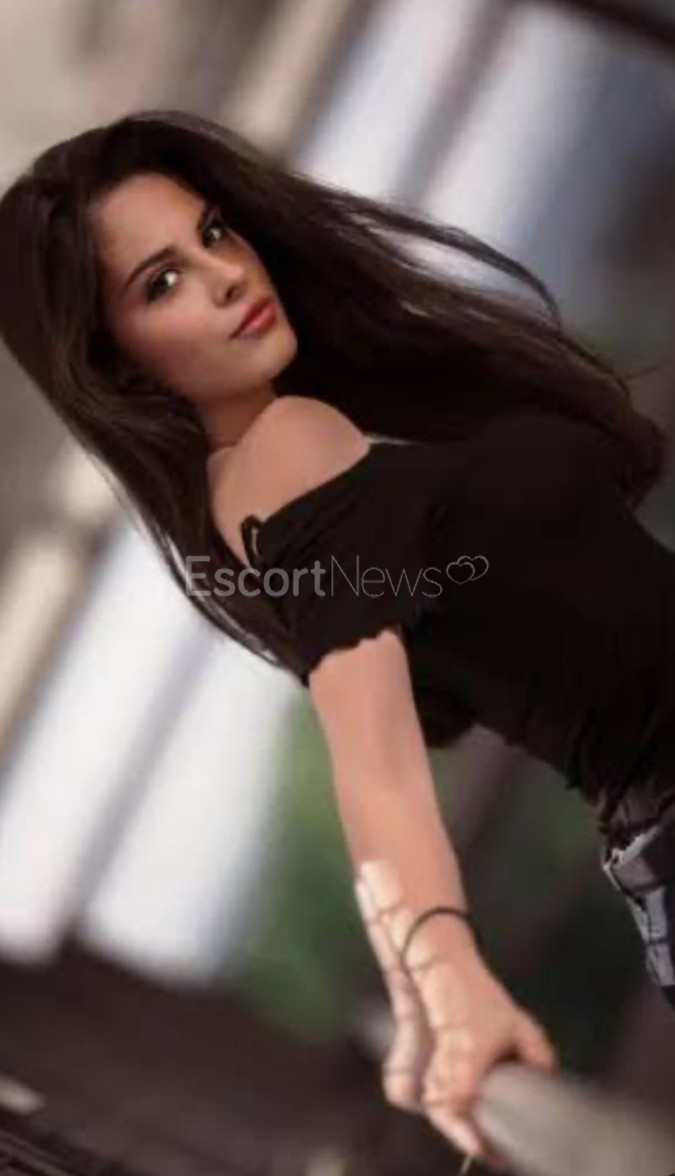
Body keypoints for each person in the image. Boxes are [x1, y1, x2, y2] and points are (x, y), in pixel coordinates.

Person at [0, 107, 672, 1170]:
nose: (225, 276)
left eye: (214, 233)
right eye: (161, 283)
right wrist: (443, 973)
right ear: (116, 368)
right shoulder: (283, 461)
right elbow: (373, 760)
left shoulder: (332, 431)